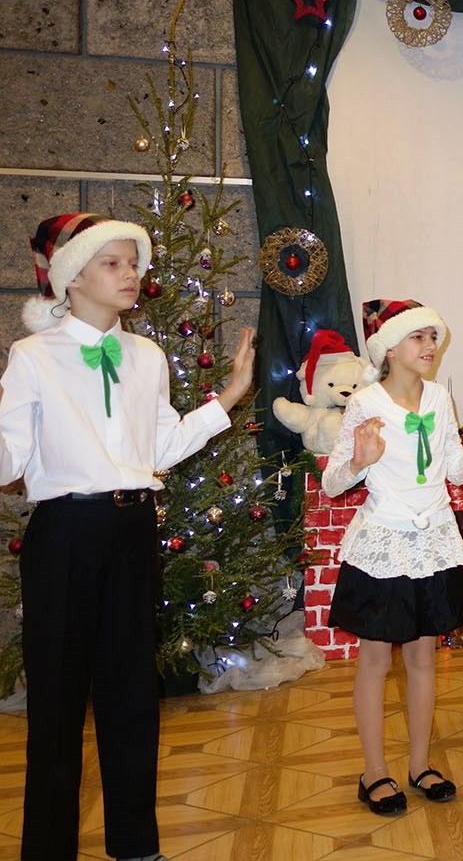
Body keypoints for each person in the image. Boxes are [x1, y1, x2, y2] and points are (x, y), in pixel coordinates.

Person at [0, 212, 254, 861]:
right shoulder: (33, 357)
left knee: (132, 690)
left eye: (133, 262)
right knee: (57, 699)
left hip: (133, 528)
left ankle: (136, 844)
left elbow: (160, 448)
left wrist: (228, 397)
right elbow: (7, 462)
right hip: (66, 533)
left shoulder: (146, 357)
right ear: (71, 277)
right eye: (112, 263)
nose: (130, 273)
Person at [323, 298, 463, 814]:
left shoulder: (440, 398)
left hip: (433, 543)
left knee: (424, 656)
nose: (430, 346)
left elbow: (454, 471)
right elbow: (333, 483)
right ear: (389, 348)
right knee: (376, 659)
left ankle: (419, 764)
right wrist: (359, 462)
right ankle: (374, 772)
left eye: (432, 337)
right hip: (385, 543)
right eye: (418, 337)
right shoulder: (366, 403)